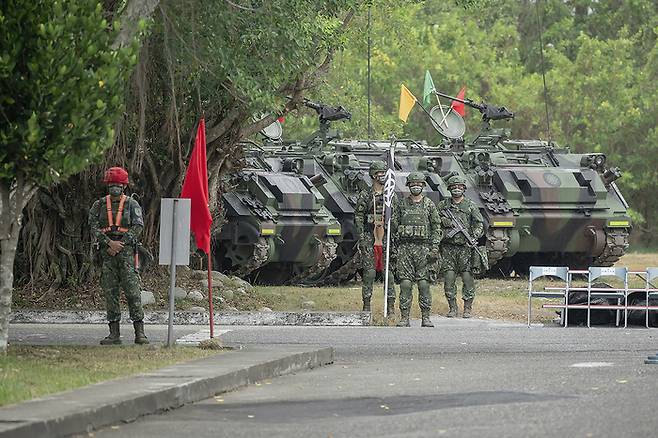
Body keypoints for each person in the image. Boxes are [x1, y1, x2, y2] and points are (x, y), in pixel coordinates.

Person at [89, 167, 148, 344]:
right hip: (107, 254)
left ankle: (140, 333)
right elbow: (93, 226)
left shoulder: (132, 204)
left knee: (133, 292)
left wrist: (121, 243)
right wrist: (109, 243)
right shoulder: (99, 205)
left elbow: (138, 226)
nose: (115, 188)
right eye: (112, 185)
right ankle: (114, 334)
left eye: (118, 185)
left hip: (127, 253)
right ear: (107, 186)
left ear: (124, 186)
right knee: (110, 293)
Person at [393, 172, 442, 327]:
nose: (416, 186)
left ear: (423, 186)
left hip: (424, 249)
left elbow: (436, 227)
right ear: (408, 186)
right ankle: (404, 317)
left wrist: (434, 247)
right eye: (413, 184)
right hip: (405, 250)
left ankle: (426, 317)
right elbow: (394, 225)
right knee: (406, 284)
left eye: (419, 184)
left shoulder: (429, 205)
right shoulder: (401, 204)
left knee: (423, 284)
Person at [437, 175, 485, 318]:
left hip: (465, 248)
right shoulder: (443, 206)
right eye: (453, 187)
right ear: (449, 189)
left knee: (467, 279)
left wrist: (473, 236)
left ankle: (467, 308)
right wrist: (443, 221)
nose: (456, 189)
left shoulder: (470, 205)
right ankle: (452, 308)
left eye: (459, 187)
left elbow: (479, 224)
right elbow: (435, 223)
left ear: (464, 189)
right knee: (449, 279)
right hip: (448, 249)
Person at [354, 160, 397, 314]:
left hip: (386, 236)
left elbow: (396, 215)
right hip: (369, 235)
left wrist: (393, 231)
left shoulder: (390, 195)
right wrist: (361, 235)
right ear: (373, 175)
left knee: (388, 273)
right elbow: (358, 215)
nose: (382, 176)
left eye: (384, 173)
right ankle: (366, 305)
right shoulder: (365, 195)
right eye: (379, 174)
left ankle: (390, 307)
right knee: (370, 272)